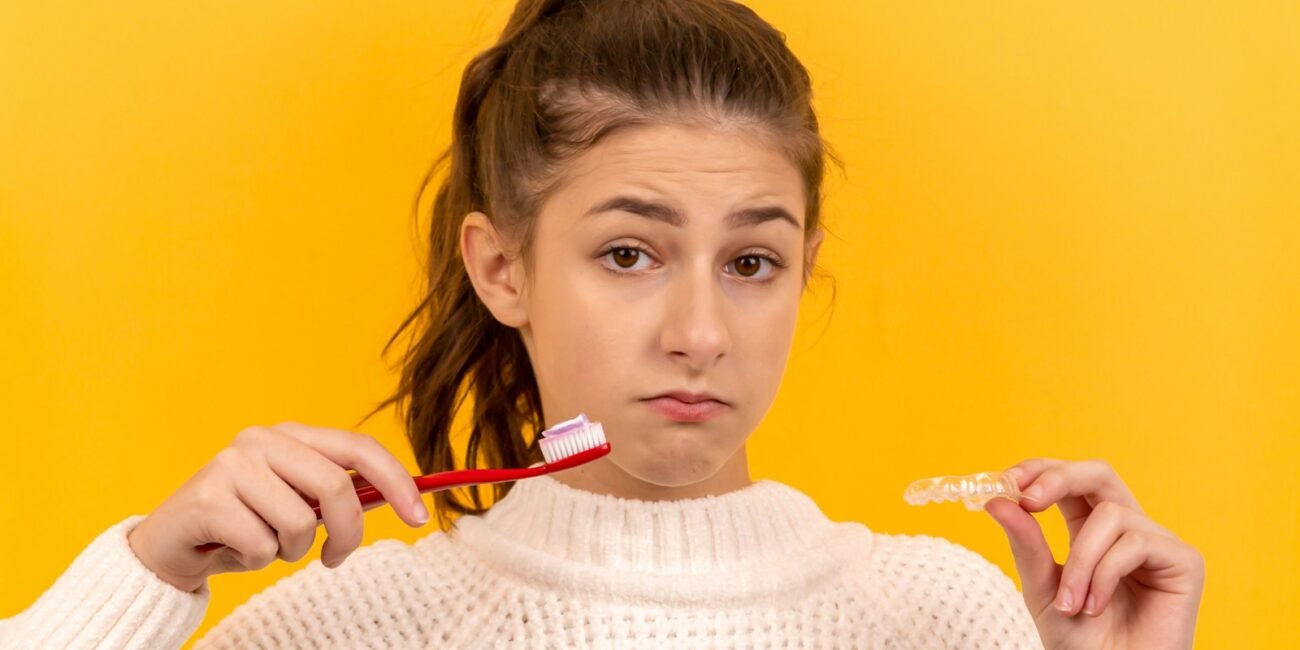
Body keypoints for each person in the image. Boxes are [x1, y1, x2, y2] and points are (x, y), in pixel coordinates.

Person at [0, 0, 1205, 647]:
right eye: (628, 252)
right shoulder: (354, 628)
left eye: (751, 260)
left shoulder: (955, 618)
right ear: (502, 267)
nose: (699, 330)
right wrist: (143, 579)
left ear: (805, 271)